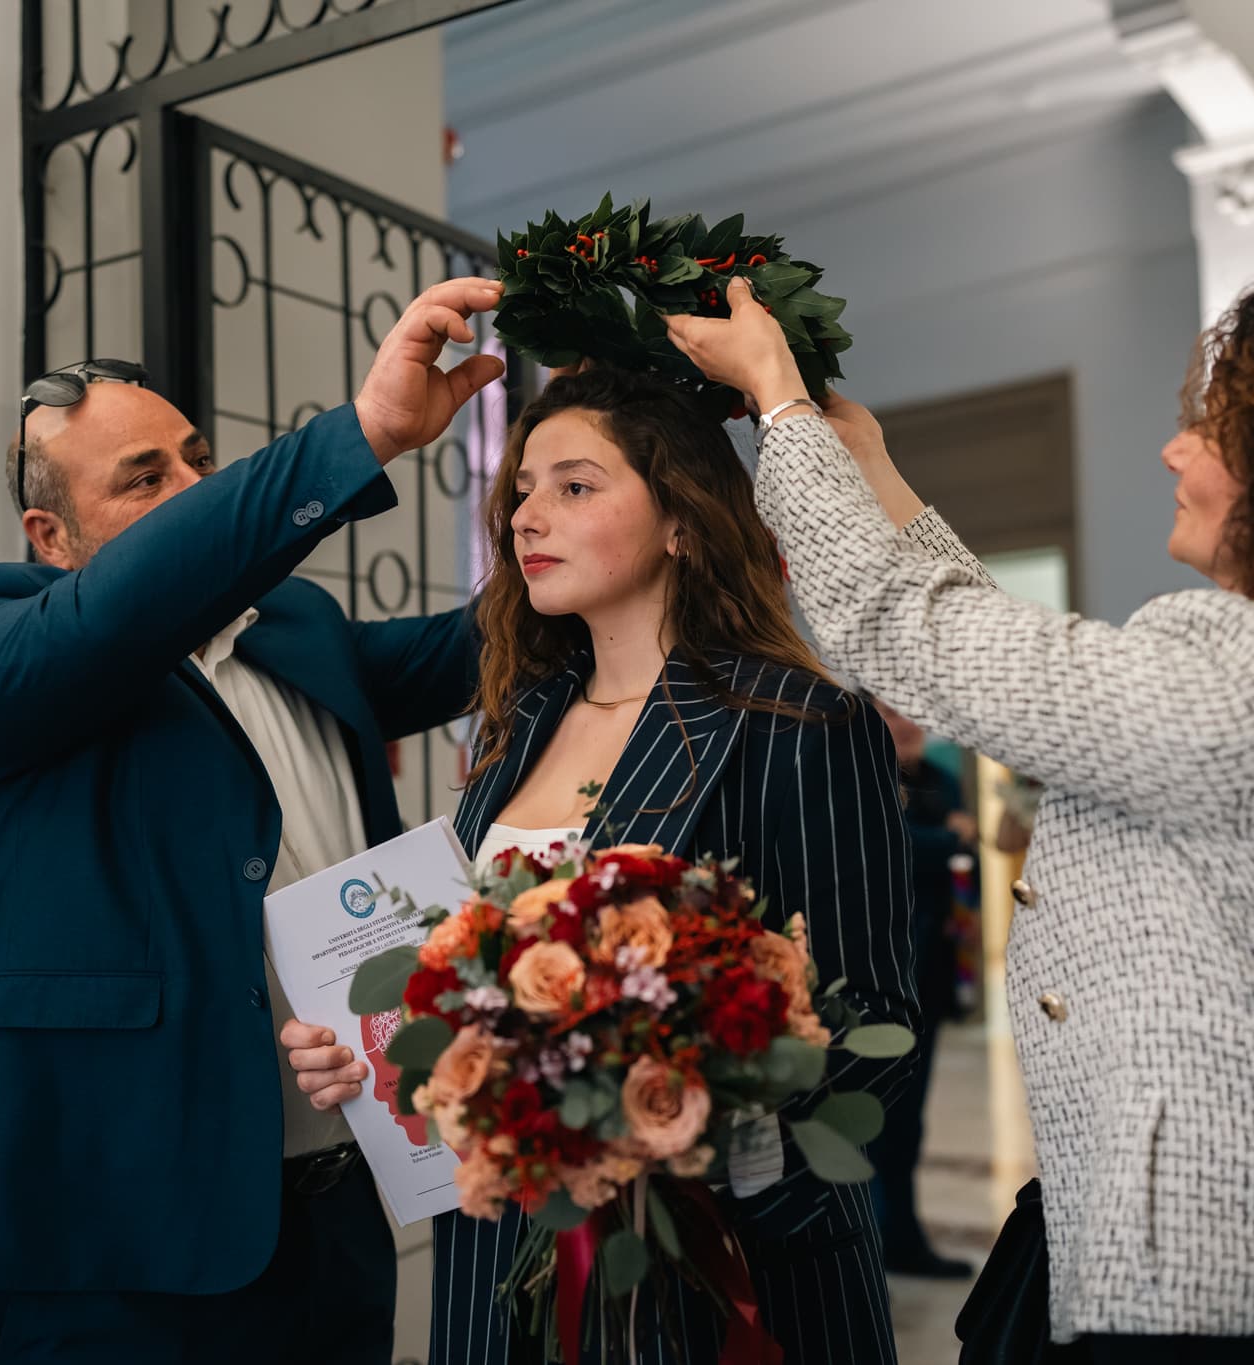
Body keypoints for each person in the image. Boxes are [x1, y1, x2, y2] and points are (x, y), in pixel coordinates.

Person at [668, 266, 1254, 1362]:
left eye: (1214, 433)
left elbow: (904, 631)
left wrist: (778, 403)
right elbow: (1009, 662)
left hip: (1249, 1303)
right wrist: (869, 470)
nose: (1172, 451)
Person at [0, 278, 505, 1364]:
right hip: (103, 1251)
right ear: (50, 534)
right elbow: (122, 609)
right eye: (146, 478)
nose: (192, 489)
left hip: (332, 1217)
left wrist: (621, 495)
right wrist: (364, 433)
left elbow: (487, 646)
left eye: (197, 462)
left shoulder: (296, 624)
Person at [284, 366, 921, 1365]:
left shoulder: (797, 724)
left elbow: (875, 1024)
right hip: (495, 1259)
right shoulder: (517, 720)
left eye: (574, 486)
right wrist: (378, 1056)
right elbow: (476, 989)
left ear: (681, 521)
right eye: (521, 491)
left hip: (710, 1272)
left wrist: (676, 1150)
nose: (526, 517)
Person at [870, 697, 978, 1280]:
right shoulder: (863, 773)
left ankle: (903, 1238)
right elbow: (894, 848)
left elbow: (968, 864)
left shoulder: (942, 780)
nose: (905, 723)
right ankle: (876, 1240)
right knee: (877, 1115)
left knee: (911, 1118)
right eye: (890, 712)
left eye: (910, 711)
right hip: (882, 972)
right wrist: (952, 840)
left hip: (933, 968)